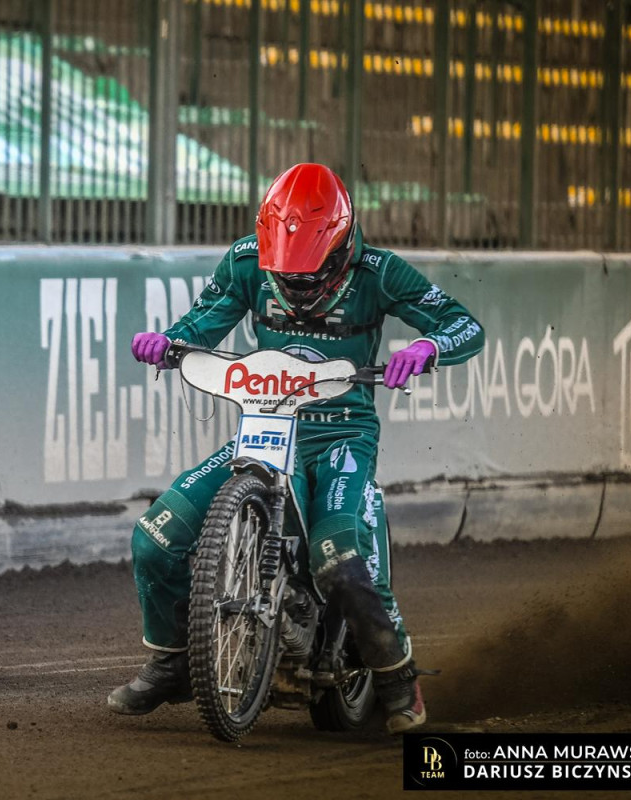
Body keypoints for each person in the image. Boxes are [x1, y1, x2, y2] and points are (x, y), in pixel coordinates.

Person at [107, 163, 484, 733]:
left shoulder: (381, 272)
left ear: (342, 248)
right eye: (284, 276)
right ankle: (172, 663)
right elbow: (202, 323)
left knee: (339, 558)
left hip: (341, 435)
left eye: (308, 278)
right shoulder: (245, 261)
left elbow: (463, 324)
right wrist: (169, 342)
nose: (296, 289)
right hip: (266, 425)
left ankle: (397, 679)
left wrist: (427, 347)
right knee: (155, 539)